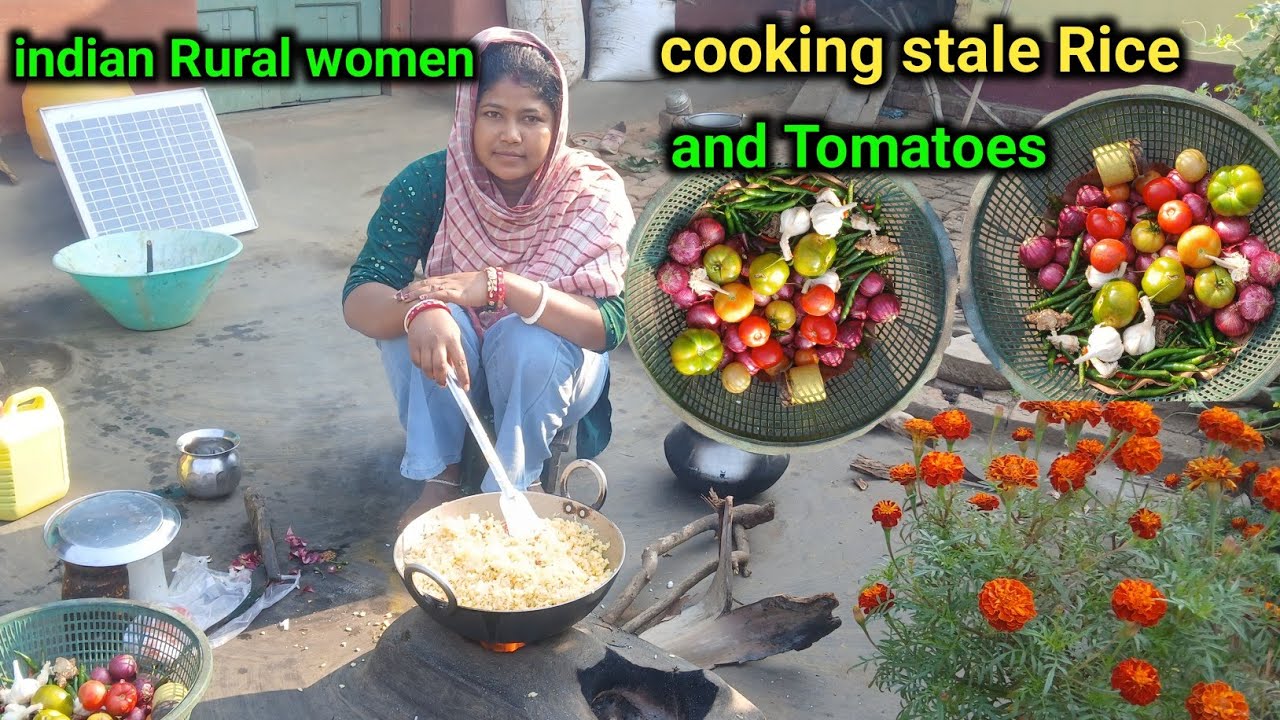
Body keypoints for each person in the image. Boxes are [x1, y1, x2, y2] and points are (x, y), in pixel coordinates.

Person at [341, 27, 633, 530]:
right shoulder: (432, 181)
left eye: (531, 118)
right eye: (493, 114)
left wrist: (503, 288)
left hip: (555, 372)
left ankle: (519, 483)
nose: (510, 135)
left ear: (556, 122)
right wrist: (421, 311)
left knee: (529, 335)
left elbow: (608, 326)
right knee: (417, 314)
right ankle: (443, 478)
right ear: (467, 115)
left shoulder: (588, 192)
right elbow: (362, 292)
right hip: (457, 369)